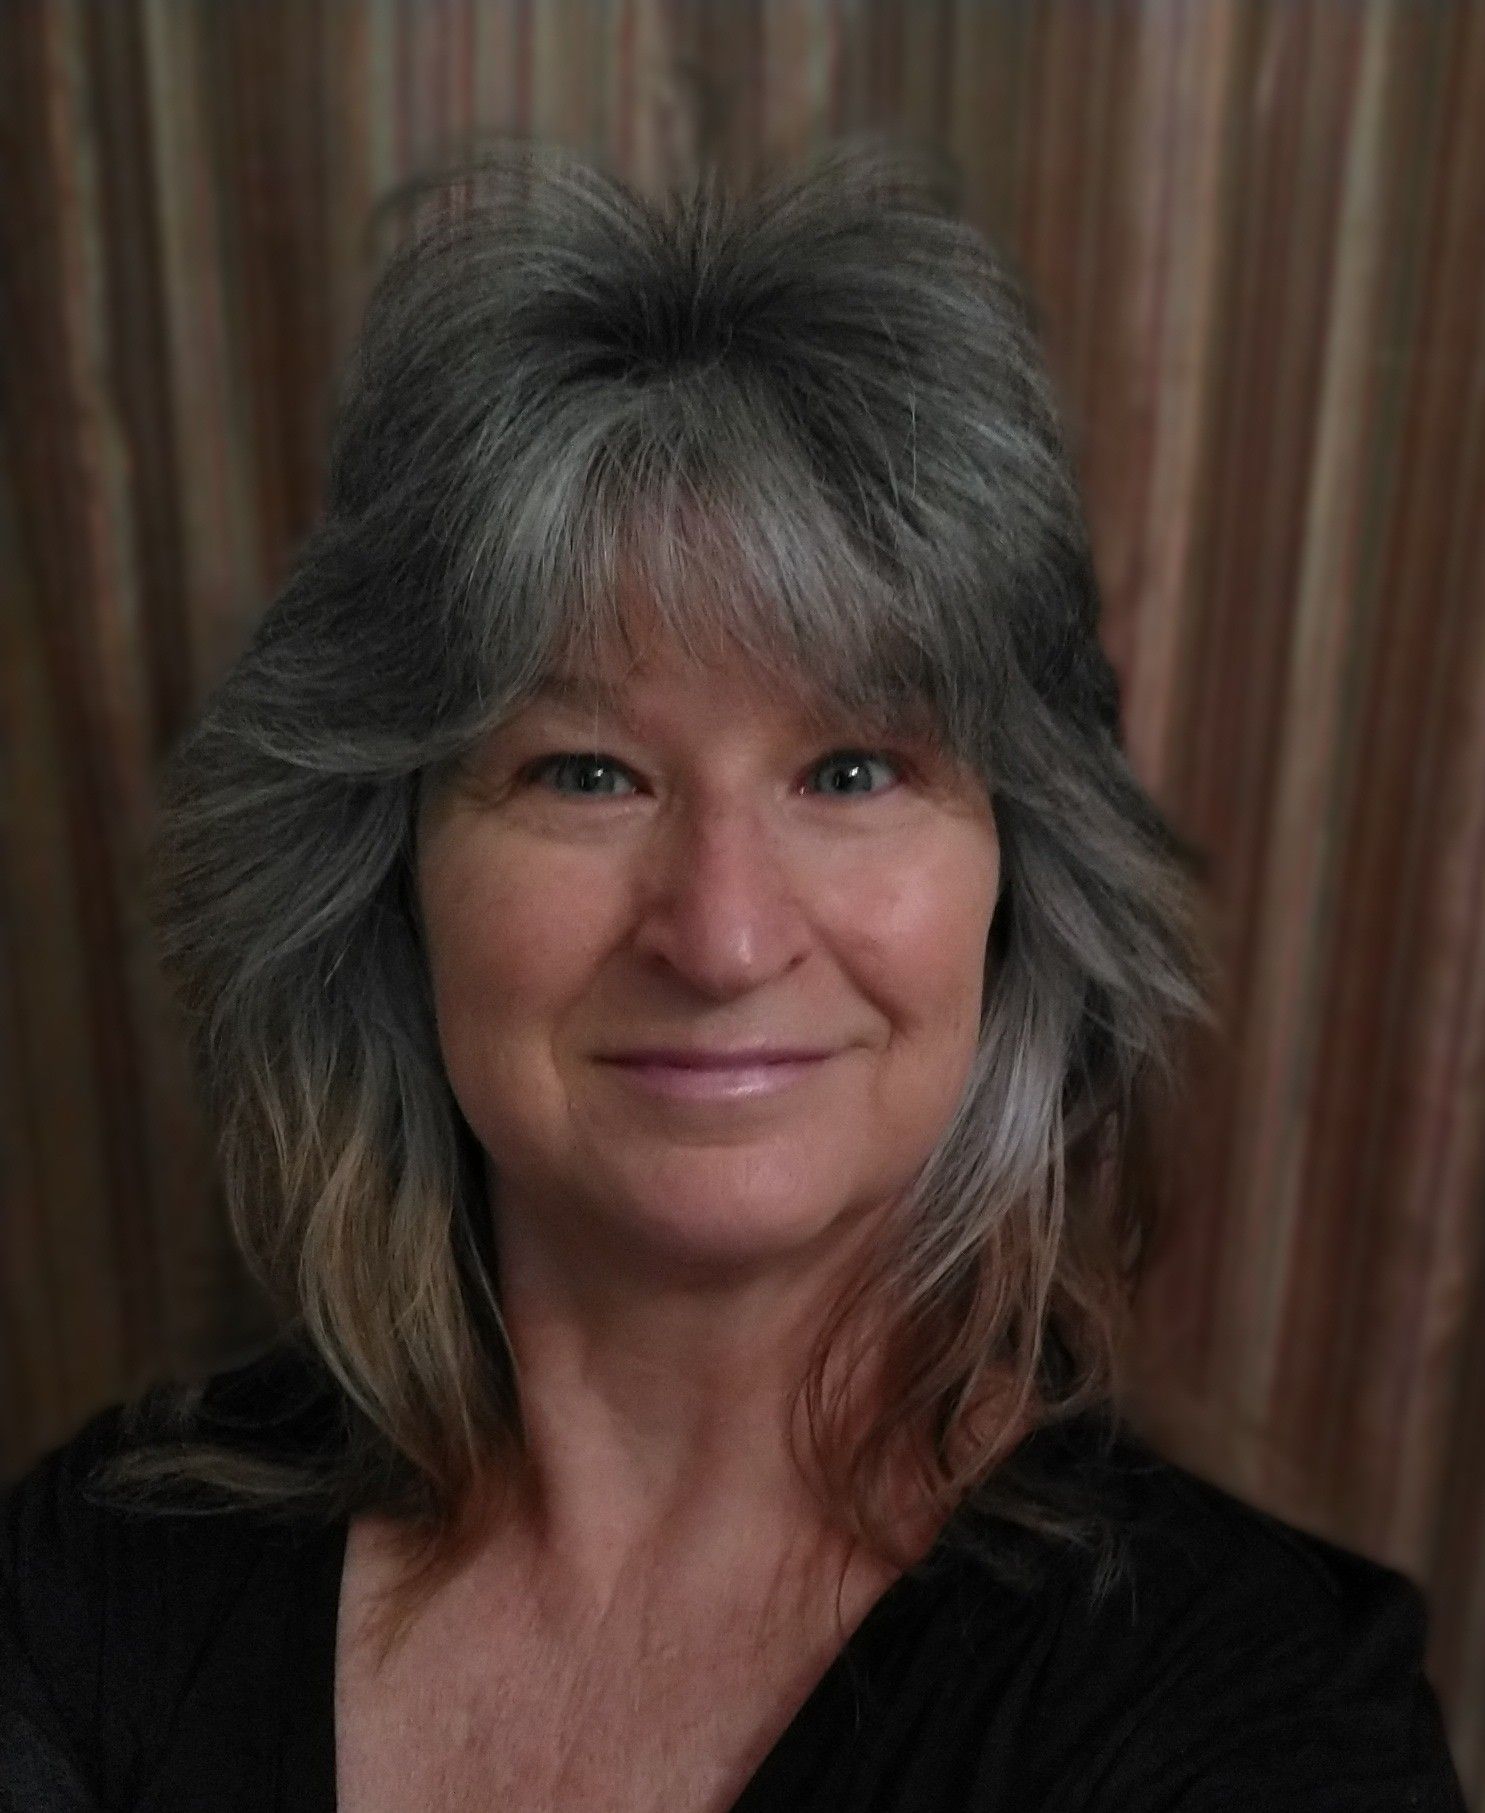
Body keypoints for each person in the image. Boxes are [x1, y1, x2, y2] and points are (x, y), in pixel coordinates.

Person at [0, 137, 1467, 1813]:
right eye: (583, 771)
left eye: (851, 770)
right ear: (387, 871)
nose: (720, 935)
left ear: (1018, 881)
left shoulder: (1245, 1715)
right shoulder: (103, 1579)